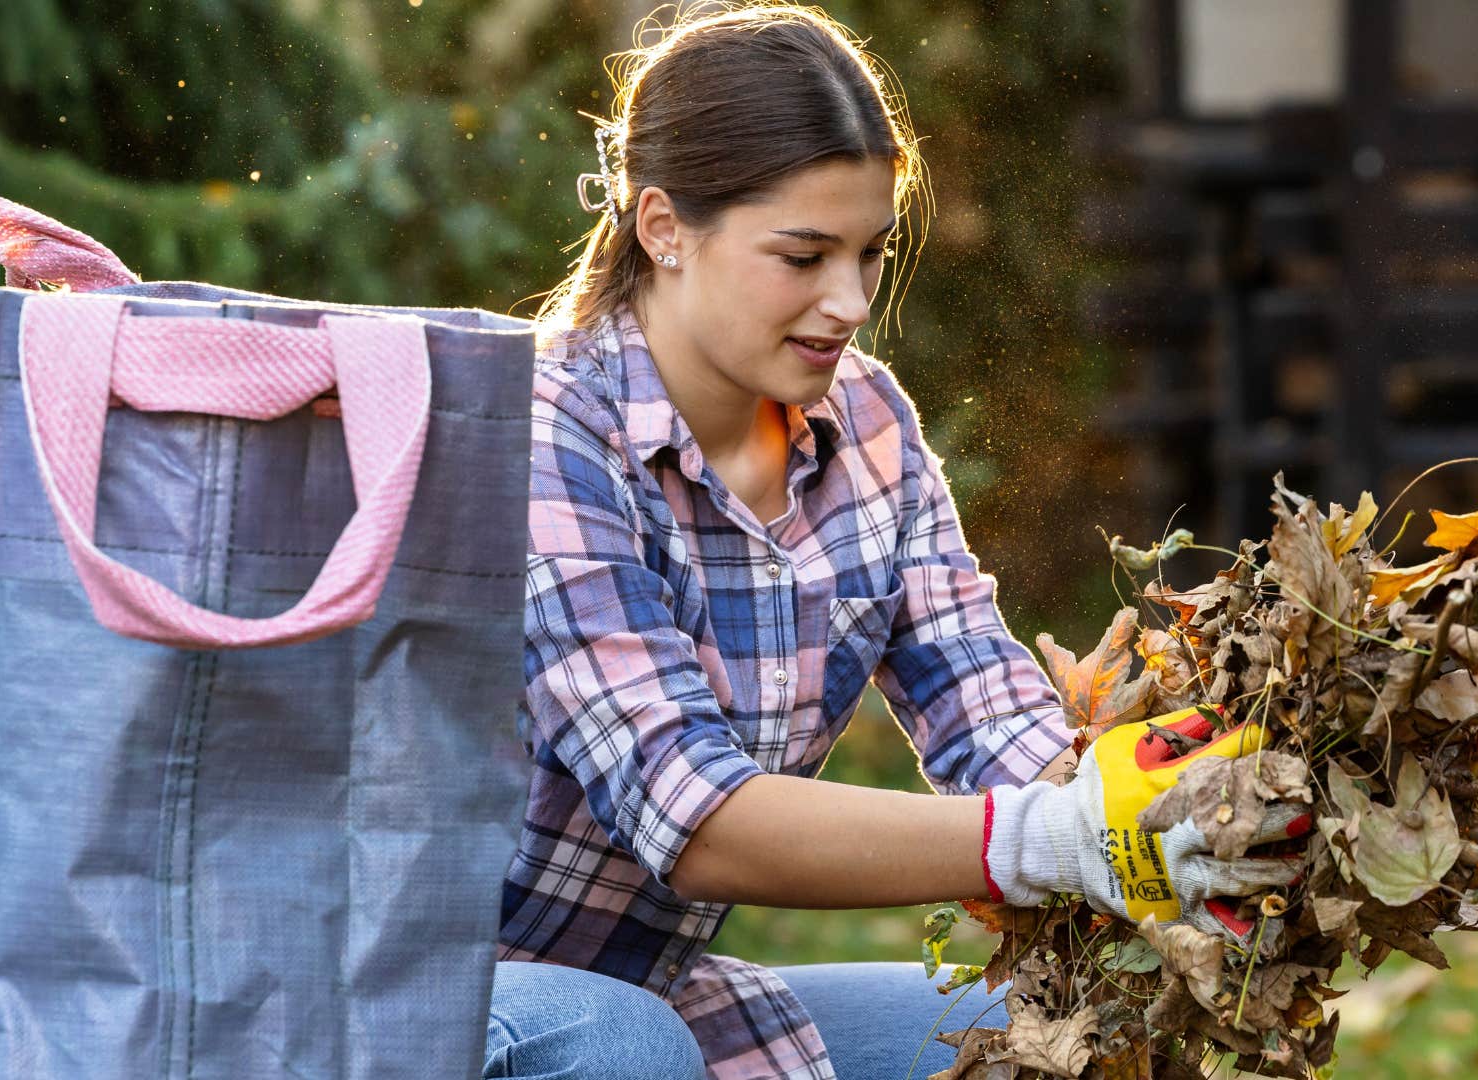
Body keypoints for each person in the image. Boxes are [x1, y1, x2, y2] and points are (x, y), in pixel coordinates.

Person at [488, 5, 1305, 1078]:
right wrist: (1041, 841)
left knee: (1056, 1042)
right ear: (663, 228)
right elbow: (690, 818)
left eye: (870, 254)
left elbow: (983, 703)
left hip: (646, 986)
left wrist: (1156, 806)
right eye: (803, 255)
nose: (849, 303)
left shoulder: (864, 422)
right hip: (431, 992)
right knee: (623, 1051)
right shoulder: (545, 434)